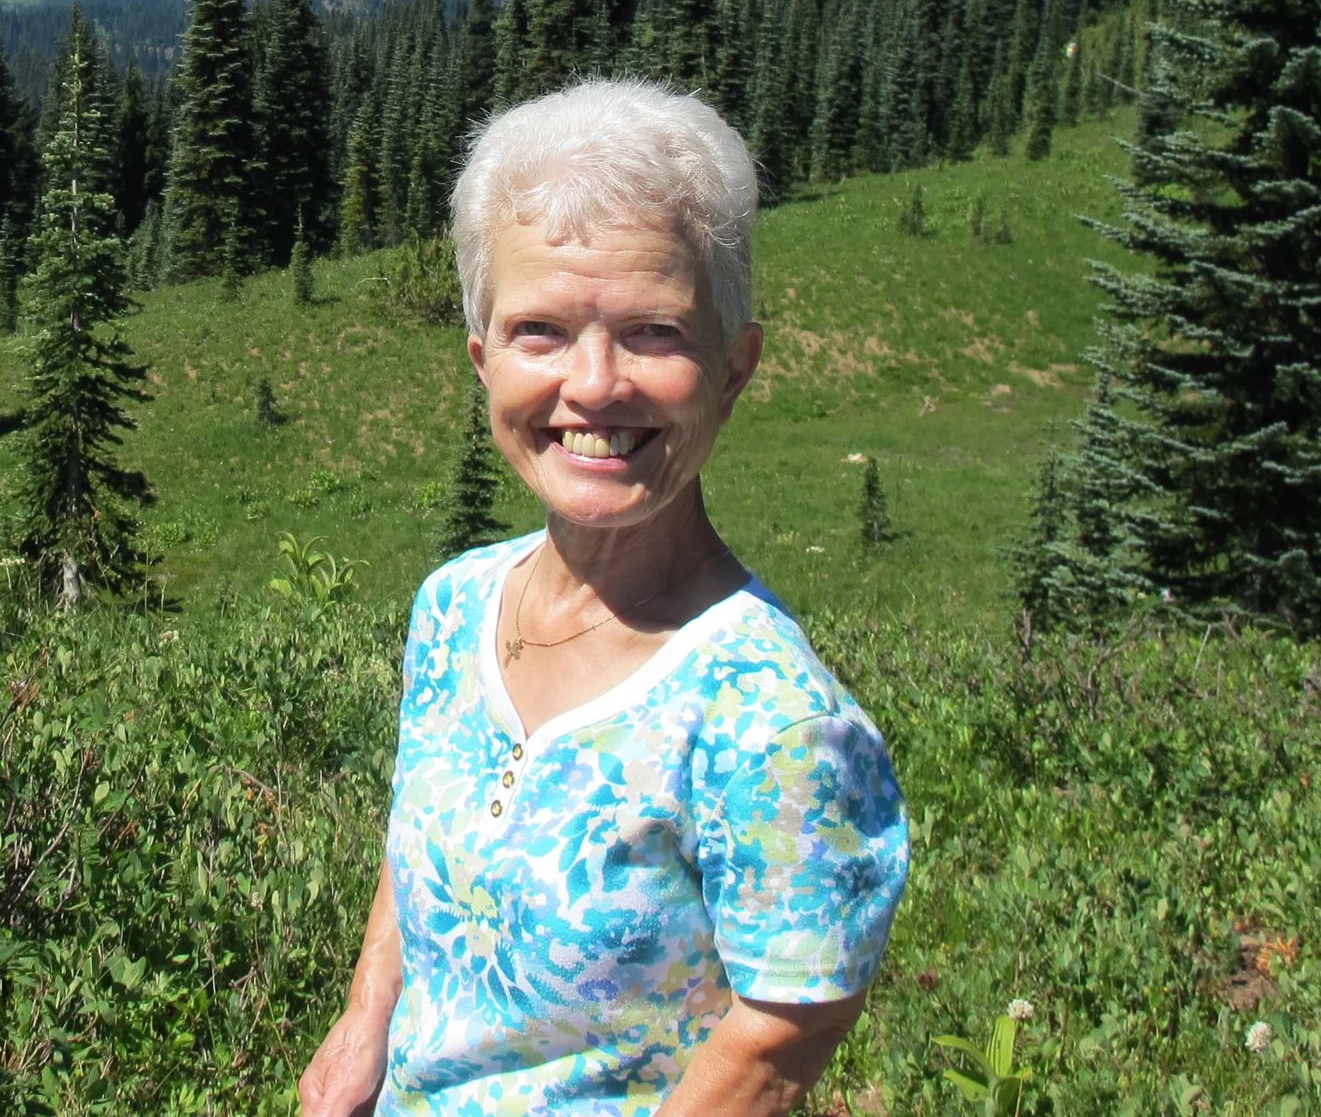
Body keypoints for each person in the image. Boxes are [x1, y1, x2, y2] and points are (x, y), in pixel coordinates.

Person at [300, 79, 909, 1117]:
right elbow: (420, 830)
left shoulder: (771, 718)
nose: (594, 384)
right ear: (481, 361)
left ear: (735, 367)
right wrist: (364, 1024)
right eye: (540, 330)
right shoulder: (454, 609)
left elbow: (787, 1024)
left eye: (653, 333)